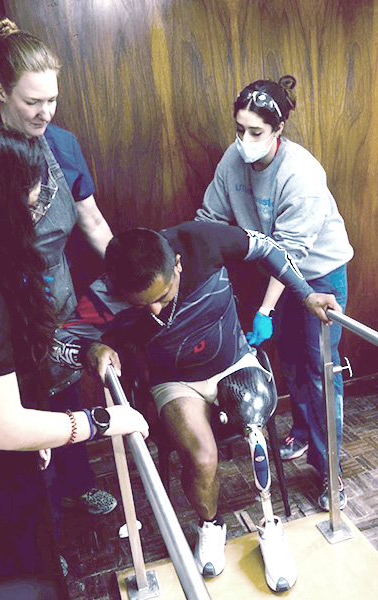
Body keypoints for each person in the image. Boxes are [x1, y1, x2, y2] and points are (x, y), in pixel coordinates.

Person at [51, 220, 341, 578]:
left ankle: (270, 527)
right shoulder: (106, 291)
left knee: (255, 429)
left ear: (177, 264)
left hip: (233, 361)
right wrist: (89, 349)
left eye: (162, 297)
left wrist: (305, 293)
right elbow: (59, 342)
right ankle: (211, 525)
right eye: (142, 304)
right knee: (202, 458)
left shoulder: (200, 240)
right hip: (175, 382)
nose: (155, 311)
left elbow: (267, 247)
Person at [0, 122, 148, 593]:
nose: (38, 222)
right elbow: (1, 427)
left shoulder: (2, 269)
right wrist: (102, 421)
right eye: (30, 209)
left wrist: (84, 351)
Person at [195, 75, 354, 510]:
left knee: (320, 370)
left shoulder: (301, 172)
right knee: (292, 365)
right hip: (271, 272)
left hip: (317, 275)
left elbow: (290, 253)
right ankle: (302, 433)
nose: (245, 141)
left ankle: (330, 470)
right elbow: (210, 219)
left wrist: (265, 309)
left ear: (278, 129)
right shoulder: (233, 160)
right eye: (239, 129)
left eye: (256, 132)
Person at [0, 16, 116, 518]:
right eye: (32, 102)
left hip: (56, 302)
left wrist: (137, 275)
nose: (45, 113)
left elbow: (93, 222)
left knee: (64, 396)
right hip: (0, 313)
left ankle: (78, 484)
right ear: (0, 91)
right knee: (16, 420)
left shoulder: (63, 144)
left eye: (52, 100)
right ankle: (38, 523)